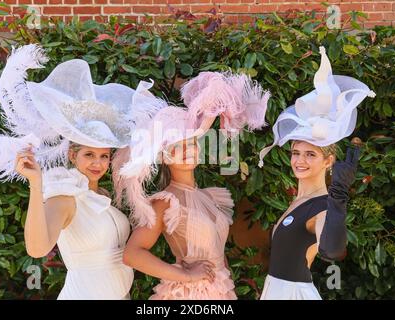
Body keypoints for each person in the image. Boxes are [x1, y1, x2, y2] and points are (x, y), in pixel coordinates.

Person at [0, 44, 166, 299]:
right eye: (89, 155)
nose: (98, 163)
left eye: (104, 156)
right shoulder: (65, 197)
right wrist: (35, 185)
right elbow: (37, 249)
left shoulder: (103, 195)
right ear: (73, 155)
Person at [113, 71, 270, 299]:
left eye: (191, 143)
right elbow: (132, 254)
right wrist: (187, 276)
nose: (187, 151)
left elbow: (218, 253)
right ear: (165, 157)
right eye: (178, 147)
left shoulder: (209, 197)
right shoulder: (166, 202)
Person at [257, 46, 375, 300]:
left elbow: (332, 251)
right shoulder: (299, 201)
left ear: (328, 161)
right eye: (295, 152)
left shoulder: (322, 207)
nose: (299, 160)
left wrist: (339, 196)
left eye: (310, 154)